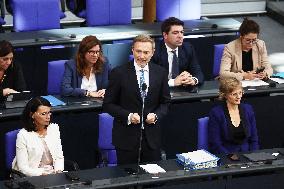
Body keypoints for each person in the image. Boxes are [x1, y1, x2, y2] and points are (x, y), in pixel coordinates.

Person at [103, 34, 170, 165]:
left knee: (151, 179)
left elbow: (166, 102)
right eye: (138, 51)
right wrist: (128, 116)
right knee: (127, 179)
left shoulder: (160, 72)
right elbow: (108, 104)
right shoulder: (118, 73)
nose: (142, 56)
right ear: (132, 50)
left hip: (151, 139)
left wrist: (156, 115)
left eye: (146, 52)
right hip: (126, 139)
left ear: (152, 53)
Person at [12, 96, 64, 176]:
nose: (48, 117)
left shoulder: (54, 128)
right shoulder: (23, 135)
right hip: (33, 175)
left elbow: (59, 157)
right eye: (43, 114)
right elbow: (23, 168)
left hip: (53, 173)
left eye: (49, 113)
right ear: (32, 115)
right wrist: (42, 173)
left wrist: (59, 171)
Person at [208, 77, 259, 154]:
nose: (238, 97)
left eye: (240, 92)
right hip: (226, 154)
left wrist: (254, 155)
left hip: (248, 154)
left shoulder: (248, 109)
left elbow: (254, 139)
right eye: (234, 94)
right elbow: (216, 144)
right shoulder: (216, 113)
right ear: (225, 95)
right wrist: (230, 157)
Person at [151, 17, 204, 87]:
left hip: (183, 91)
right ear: (165, 35)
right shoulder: (154, 51)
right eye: (175, 33)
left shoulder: (188, 48)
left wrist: (193, 80)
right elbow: (152, 79)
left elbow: (198, 72)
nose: (180, 36)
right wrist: (173, 82)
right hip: (161, 92)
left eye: (182, 32)